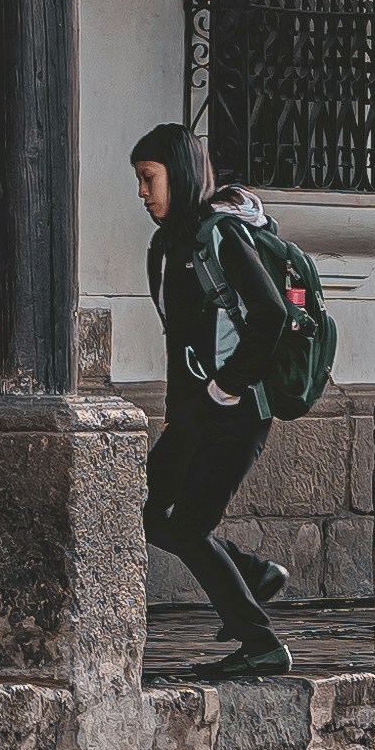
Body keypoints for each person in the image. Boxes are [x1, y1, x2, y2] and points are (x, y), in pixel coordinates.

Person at [128, 121, 304, 682]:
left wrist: (225, 385)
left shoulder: (220, 235)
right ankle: (253, 573)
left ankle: (262, 644)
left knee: (184, 528)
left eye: (149, 178)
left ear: (177, 175)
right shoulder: (170, 244)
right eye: (138, 180)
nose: (142, 192)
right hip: (191, 416)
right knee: (147, 515)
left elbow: (272, 314)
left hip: (235, 412)